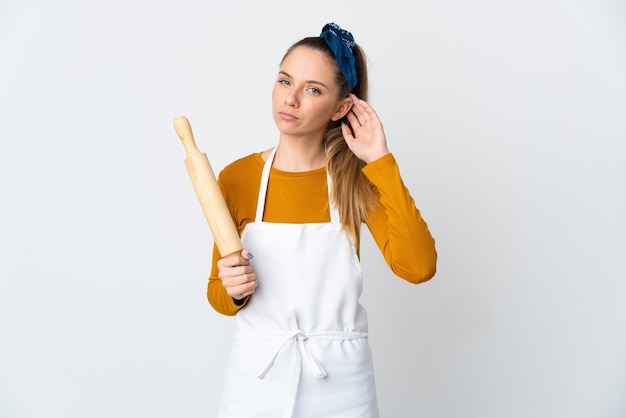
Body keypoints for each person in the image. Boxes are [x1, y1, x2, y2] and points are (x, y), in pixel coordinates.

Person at [206, 22, 437, 418]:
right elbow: (219, 296)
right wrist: (234, 288)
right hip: (255, 383)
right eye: (284, 81)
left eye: (313, 89)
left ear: (341, 107)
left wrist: (380, 160)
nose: (291, 99)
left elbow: (418, 268)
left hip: (341, 385)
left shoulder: (358, 182)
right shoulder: (236, 179)